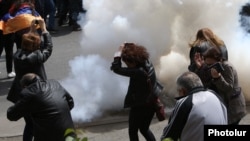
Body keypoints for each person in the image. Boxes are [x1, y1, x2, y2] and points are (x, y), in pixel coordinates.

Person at [7, 18, 53, 141]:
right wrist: (44, 29)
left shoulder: (18, 55)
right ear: (36, 46)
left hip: (21, 94)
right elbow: (48, 48)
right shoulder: (36, 57)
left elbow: (27, 44)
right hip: (36, 95)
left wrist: (32, 30)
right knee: (38, 123)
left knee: (30, 123)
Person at [7, 73, 77, 141]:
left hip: (49, 137)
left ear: (25, 86)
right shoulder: (55, 83)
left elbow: (11, 115)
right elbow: (70, 102)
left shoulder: (29, 93)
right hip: (69, 134)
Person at [161, 71, 227, 141]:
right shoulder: (215, 95)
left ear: (182, 90)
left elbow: (168, 135)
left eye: (178, 91)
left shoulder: (185, 102)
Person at [110, 43, 157, 141]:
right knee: (144, 129)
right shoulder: (147, 62)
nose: (126, 65)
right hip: (151, 103)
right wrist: (128, 46)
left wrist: (118, 53)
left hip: (140, 106)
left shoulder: (138, 72)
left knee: (132, 131)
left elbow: (116, 68)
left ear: (133, 61)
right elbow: (134, 50)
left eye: (127, 62)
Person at [194, 47, 247, 125]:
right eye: (207, 64)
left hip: (233, 107)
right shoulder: (211, 66)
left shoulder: (227, 67)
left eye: (211, 64)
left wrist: (218, 78)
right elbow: (205, 80)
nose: (209, 67)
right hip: (223, 104)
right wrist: (200, 67)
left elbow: (228, 88)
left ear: (219, 60)